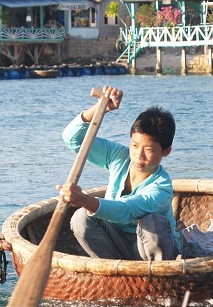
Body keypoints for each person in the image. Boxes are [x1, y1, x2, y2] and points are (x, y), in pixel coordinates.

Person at [59, 86, 180, 262]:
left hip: (153, 252)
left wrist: (84, 200)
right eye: (135, 145)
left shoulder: (162, 187)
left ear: (166, 151)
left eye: (148, 149)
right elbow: (72, 138)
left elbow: (127, 210)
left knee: (152, 223)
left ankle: (159, 281)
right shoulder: (119, 156)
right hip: (117, 246)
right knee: (81, 217)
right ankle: (116, 274)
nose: (138, 156)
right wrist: (102, 108)